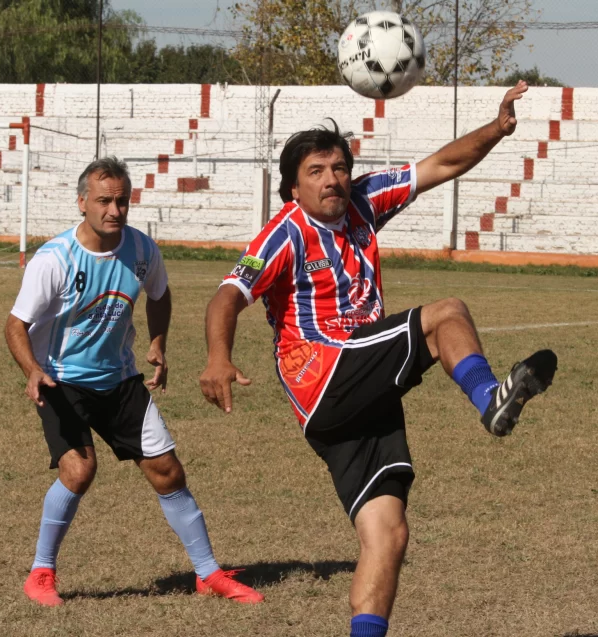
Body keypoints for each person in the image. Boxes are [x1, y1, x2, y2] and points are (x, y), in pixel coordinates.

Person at [200, 80, 557, 636]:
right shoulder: (283, 235)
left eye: (338, 167)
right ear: (293, 187)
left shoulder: (365, 201)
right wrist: (217, 357)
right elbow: (227, 296)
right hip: (323, 374)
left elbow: (440, 165)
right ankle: (490, 399)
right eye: (316, 171)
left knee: (387, 534)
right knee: (444, 315)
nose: (332, 179)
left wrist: (498, 127)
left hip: (359, 392)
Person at [5, 157, 263, 607]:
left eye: (122, 201)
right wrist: (33, 371)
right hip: (62, 382)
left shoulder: (142, 250)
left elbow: (160, 296)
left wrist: (158, 343)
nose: (114, 210)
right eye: (104, 200)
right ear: (82, 202)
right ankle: (40, 573)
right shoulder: (54, 260)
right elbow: (15, 325)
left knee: (168, 471)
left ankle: (207, 573)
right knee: (79, 469)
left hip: (121, 381)